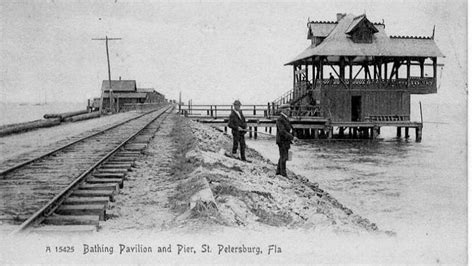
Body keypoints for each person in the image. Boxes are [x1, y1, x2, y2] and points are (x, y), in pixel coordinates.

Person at [276, 104, 294, 177]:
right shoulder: (280, 119)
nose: (289, 112)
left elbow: (291, 128)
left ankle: (278, 172)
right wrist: (291, 137)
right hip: (282, 141)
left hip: (286, 140)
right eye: (287, 110)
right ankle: (283, 174)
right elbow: (282, 131)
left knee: (283, 156)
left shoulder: (286, 118)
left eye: (289, 110)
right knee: (284, 157)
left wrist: (294, 135)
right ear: (283, 110)